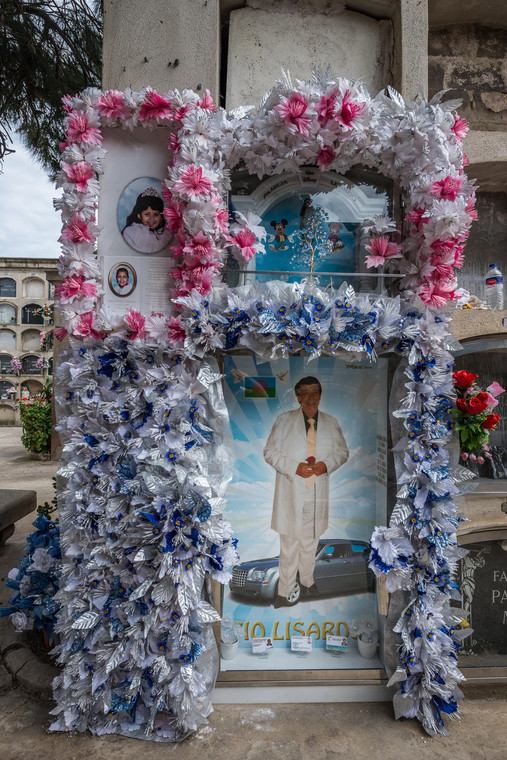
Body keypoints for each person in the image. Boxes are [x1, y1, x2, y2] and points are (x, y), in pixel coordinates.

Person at [263, 376, 348, 608]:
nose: (310, 398)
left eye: (315, 393)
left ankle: (308, 582)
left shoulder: (331, 422)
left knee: (311, 543)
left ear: (320, 396)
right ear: (298, 397)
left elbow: (342, 452)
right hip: (292, 490)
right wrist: (294, 468)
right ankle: (284, 591)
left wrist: (325, 465)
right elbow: (269, 452)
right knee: (289, 545)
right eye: (305, 393)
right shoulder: (284, 421)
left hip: (316, 493)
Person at [121, 187, 172, 253]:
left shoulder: (165, 235)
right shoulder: (131, 233)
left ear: (161, 216)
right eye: (147, 214)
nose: (152, 219)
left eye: (156, 214)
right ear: (139, 215)